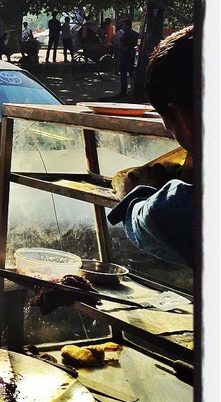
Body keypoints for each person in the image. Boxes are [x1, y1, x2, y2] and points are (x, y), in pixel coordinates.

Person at [108, 25, 194, 268]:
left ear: (179, 116)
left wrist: (137, 193)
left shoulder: (176, 207)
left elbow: (156, 216)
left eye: (169, 124)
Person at [116, 19, 139, 97]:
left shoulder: (126, 34)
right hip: (132, 56)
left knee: (124, 74)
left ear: (127, 26)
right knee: (132, 74)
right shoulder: (136, 34)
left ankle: (123, 92)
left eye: (123, 25)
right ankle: (134, 90)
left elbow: (123, 46)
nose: (122, 27)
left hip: (125, 56)